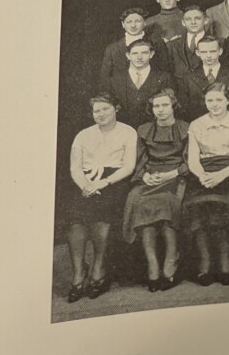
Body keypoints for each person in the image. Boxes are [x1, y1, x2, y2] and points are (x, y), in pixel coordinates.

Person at [66, 93, 137, 302]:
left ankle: (99, 269)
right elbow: (75, 167)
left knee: (101, 219)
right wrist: (86, 185)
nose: (101, 114)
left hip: (114, 181)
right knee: (74, 222)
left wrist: (103, 183)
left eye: (105, 109)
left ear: (116, 108)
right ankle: (78, 273)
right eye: (96, 111)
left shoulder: (127, 132)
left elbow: (129, 166)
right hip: (86, 182)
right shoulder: (83, 135)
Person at [122, 89, 189, 292]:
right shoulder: (144, 130)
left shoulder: (186, 129)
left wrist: (172, 174)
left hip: (176, 177)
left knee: (167, 202)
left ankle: (171, 258)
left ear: (173, 106)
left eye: (164, 105)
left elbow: (190, 160)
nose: (160, 110)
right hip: (150, 178)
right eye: (156, 106)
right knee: (138, 200)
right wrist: (145, 176)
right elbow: (138, 160)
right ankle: (152, 264)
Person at [185, 82, 229, 286]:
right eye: (209, 100)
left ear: (228, 100)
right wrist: (202, 175)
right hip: (204, 171)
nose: (214, 104)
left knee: (227, 200)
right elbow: (193, 159)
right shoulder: (196, 124)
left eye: (219, 100)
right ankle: (205, 260)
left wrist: (221, 176)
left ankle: (225, 259)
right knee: (196, 202)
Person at [108, 39, 175, 128]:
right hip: (123, 129)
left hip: (155, 130)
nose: (139, 57)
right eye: (135, 53)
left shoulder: (164, 78)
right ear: (128, 56)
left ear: (151, 54)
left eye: (144, 53)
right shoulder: (115, 80)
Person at [99, 7, 170, 87]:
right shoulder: (112, 49)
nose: (133, 25)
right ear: (123, 24)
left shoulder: (157, 44)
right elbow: (104, 78)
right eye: (129, 22)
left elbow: (165, 72)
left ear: (145, 23)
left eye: (137, 21)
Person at [178, 36, 229, 121]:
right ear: (198, 53)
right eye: (204, 52)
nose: (208, 56)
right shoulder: (188, 79)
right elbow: (185, 108)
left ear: (220, 51)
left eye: (212, 51)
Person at [166, 4, 207, 81]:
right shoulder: (171, 45)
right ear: (183, 22)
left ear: (206, 20)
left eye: (197, 18)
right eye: (188, 19)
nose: (193, 22)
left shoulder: (219, 43)